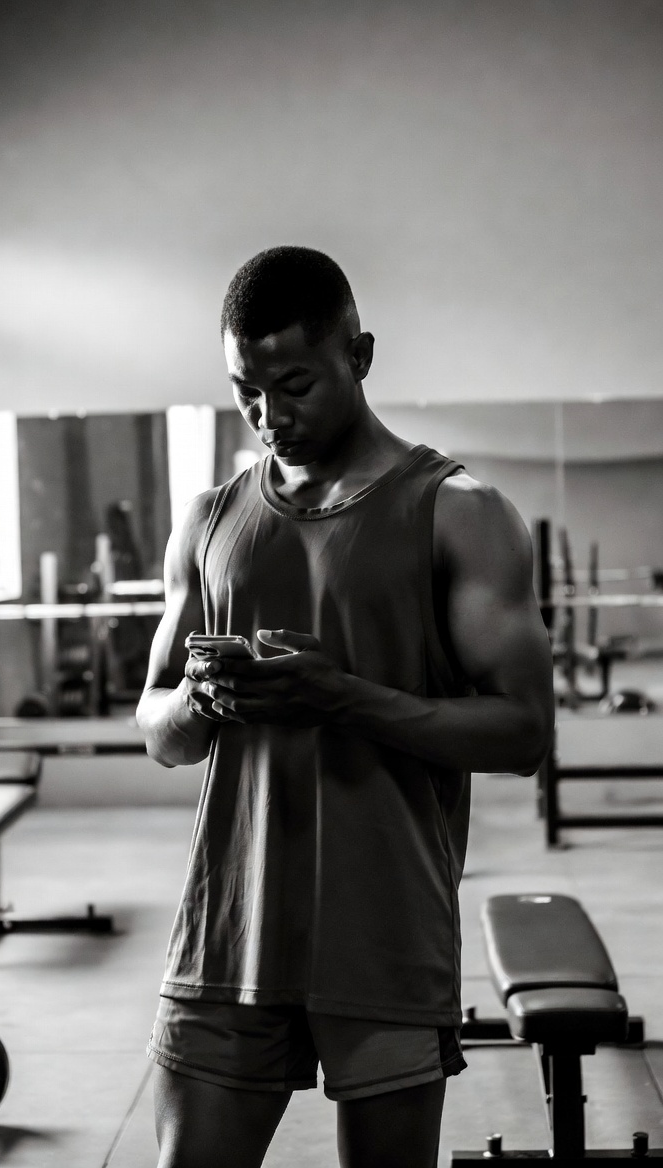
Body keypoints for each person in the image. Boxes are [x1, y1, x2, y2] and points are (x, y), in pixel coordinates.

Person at [136, 246, 554, 1168]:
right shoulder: (209, 520)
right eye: (246, 393)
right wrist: (202, 700)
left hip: (386, 931)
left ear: (359, 356)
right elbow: (158, 731)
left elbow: (525, 733)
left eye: (295, 386)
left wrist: (342, 698)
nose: (269, 417)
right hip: (229, 928)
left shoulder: (460, 513)